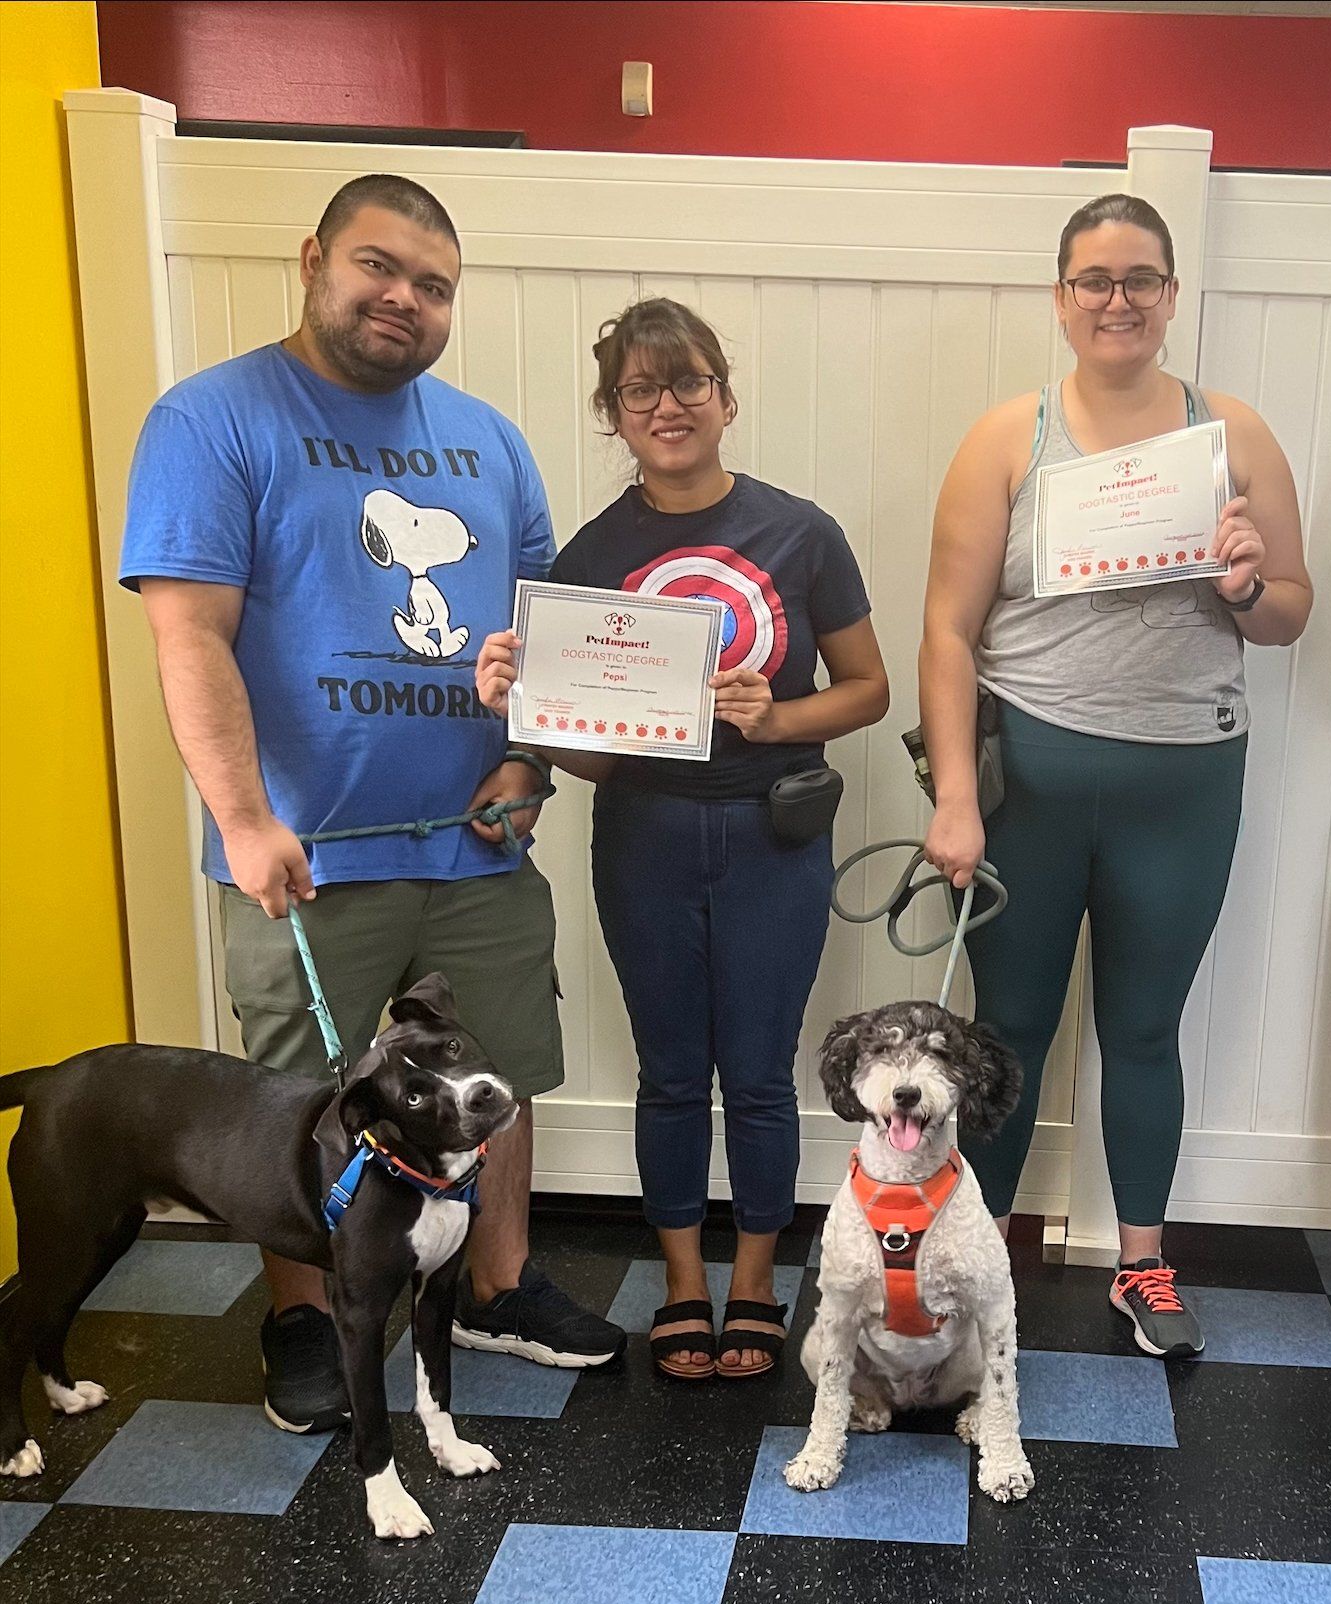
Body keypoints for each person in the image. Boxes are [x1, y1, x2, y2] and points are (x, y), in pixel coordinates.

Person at [120, 173, 623, 1435]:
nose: (404, 297)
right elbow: (191, 638)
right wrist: (242, 817)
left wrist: (528, 767)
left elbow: (540, 638)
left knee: (498, 1081)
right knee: (297, 1094)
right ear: (315, 260)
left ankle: (497, 1284)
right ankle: (301, 1313)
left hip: (476, 850)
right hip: (309, 852)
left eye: (434, 283)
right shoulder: (211, 420)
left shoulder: (489, 440)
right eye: (379, 266)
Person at [917, 194, 1313, 1358]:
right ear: (1060, 297)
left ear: (1171, 295)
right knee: (1011, 1030)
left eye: (1140, 278)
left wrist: (1246, 583)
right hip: (1029, 772)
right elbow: (947, 630)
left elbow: (1289, 610)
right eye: (1093, 279)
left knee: (1143, 1027)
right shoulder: (1007, 436)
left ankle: (1142, 1262)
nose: (1117, 300)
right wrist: (951, 792)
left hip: (1185, 778)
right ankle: (975, 1256)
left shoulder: (1232, 432)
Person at [478, 299, 889, 1379]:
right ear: (614, 413)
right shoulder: (593, 552)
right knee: (670, 1073)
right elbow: (586, 750)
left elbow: (867, 689)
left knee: (756, 1073)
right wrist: (526, 711)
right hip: (646, 837)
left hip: (771, 835)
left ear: (725, 395)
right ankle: (682, 1282)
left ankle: (754, 1281)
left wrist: (775, 716)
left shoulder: (801, 532)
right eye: (640, 390)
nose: (668, 406)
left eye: (688, 382)